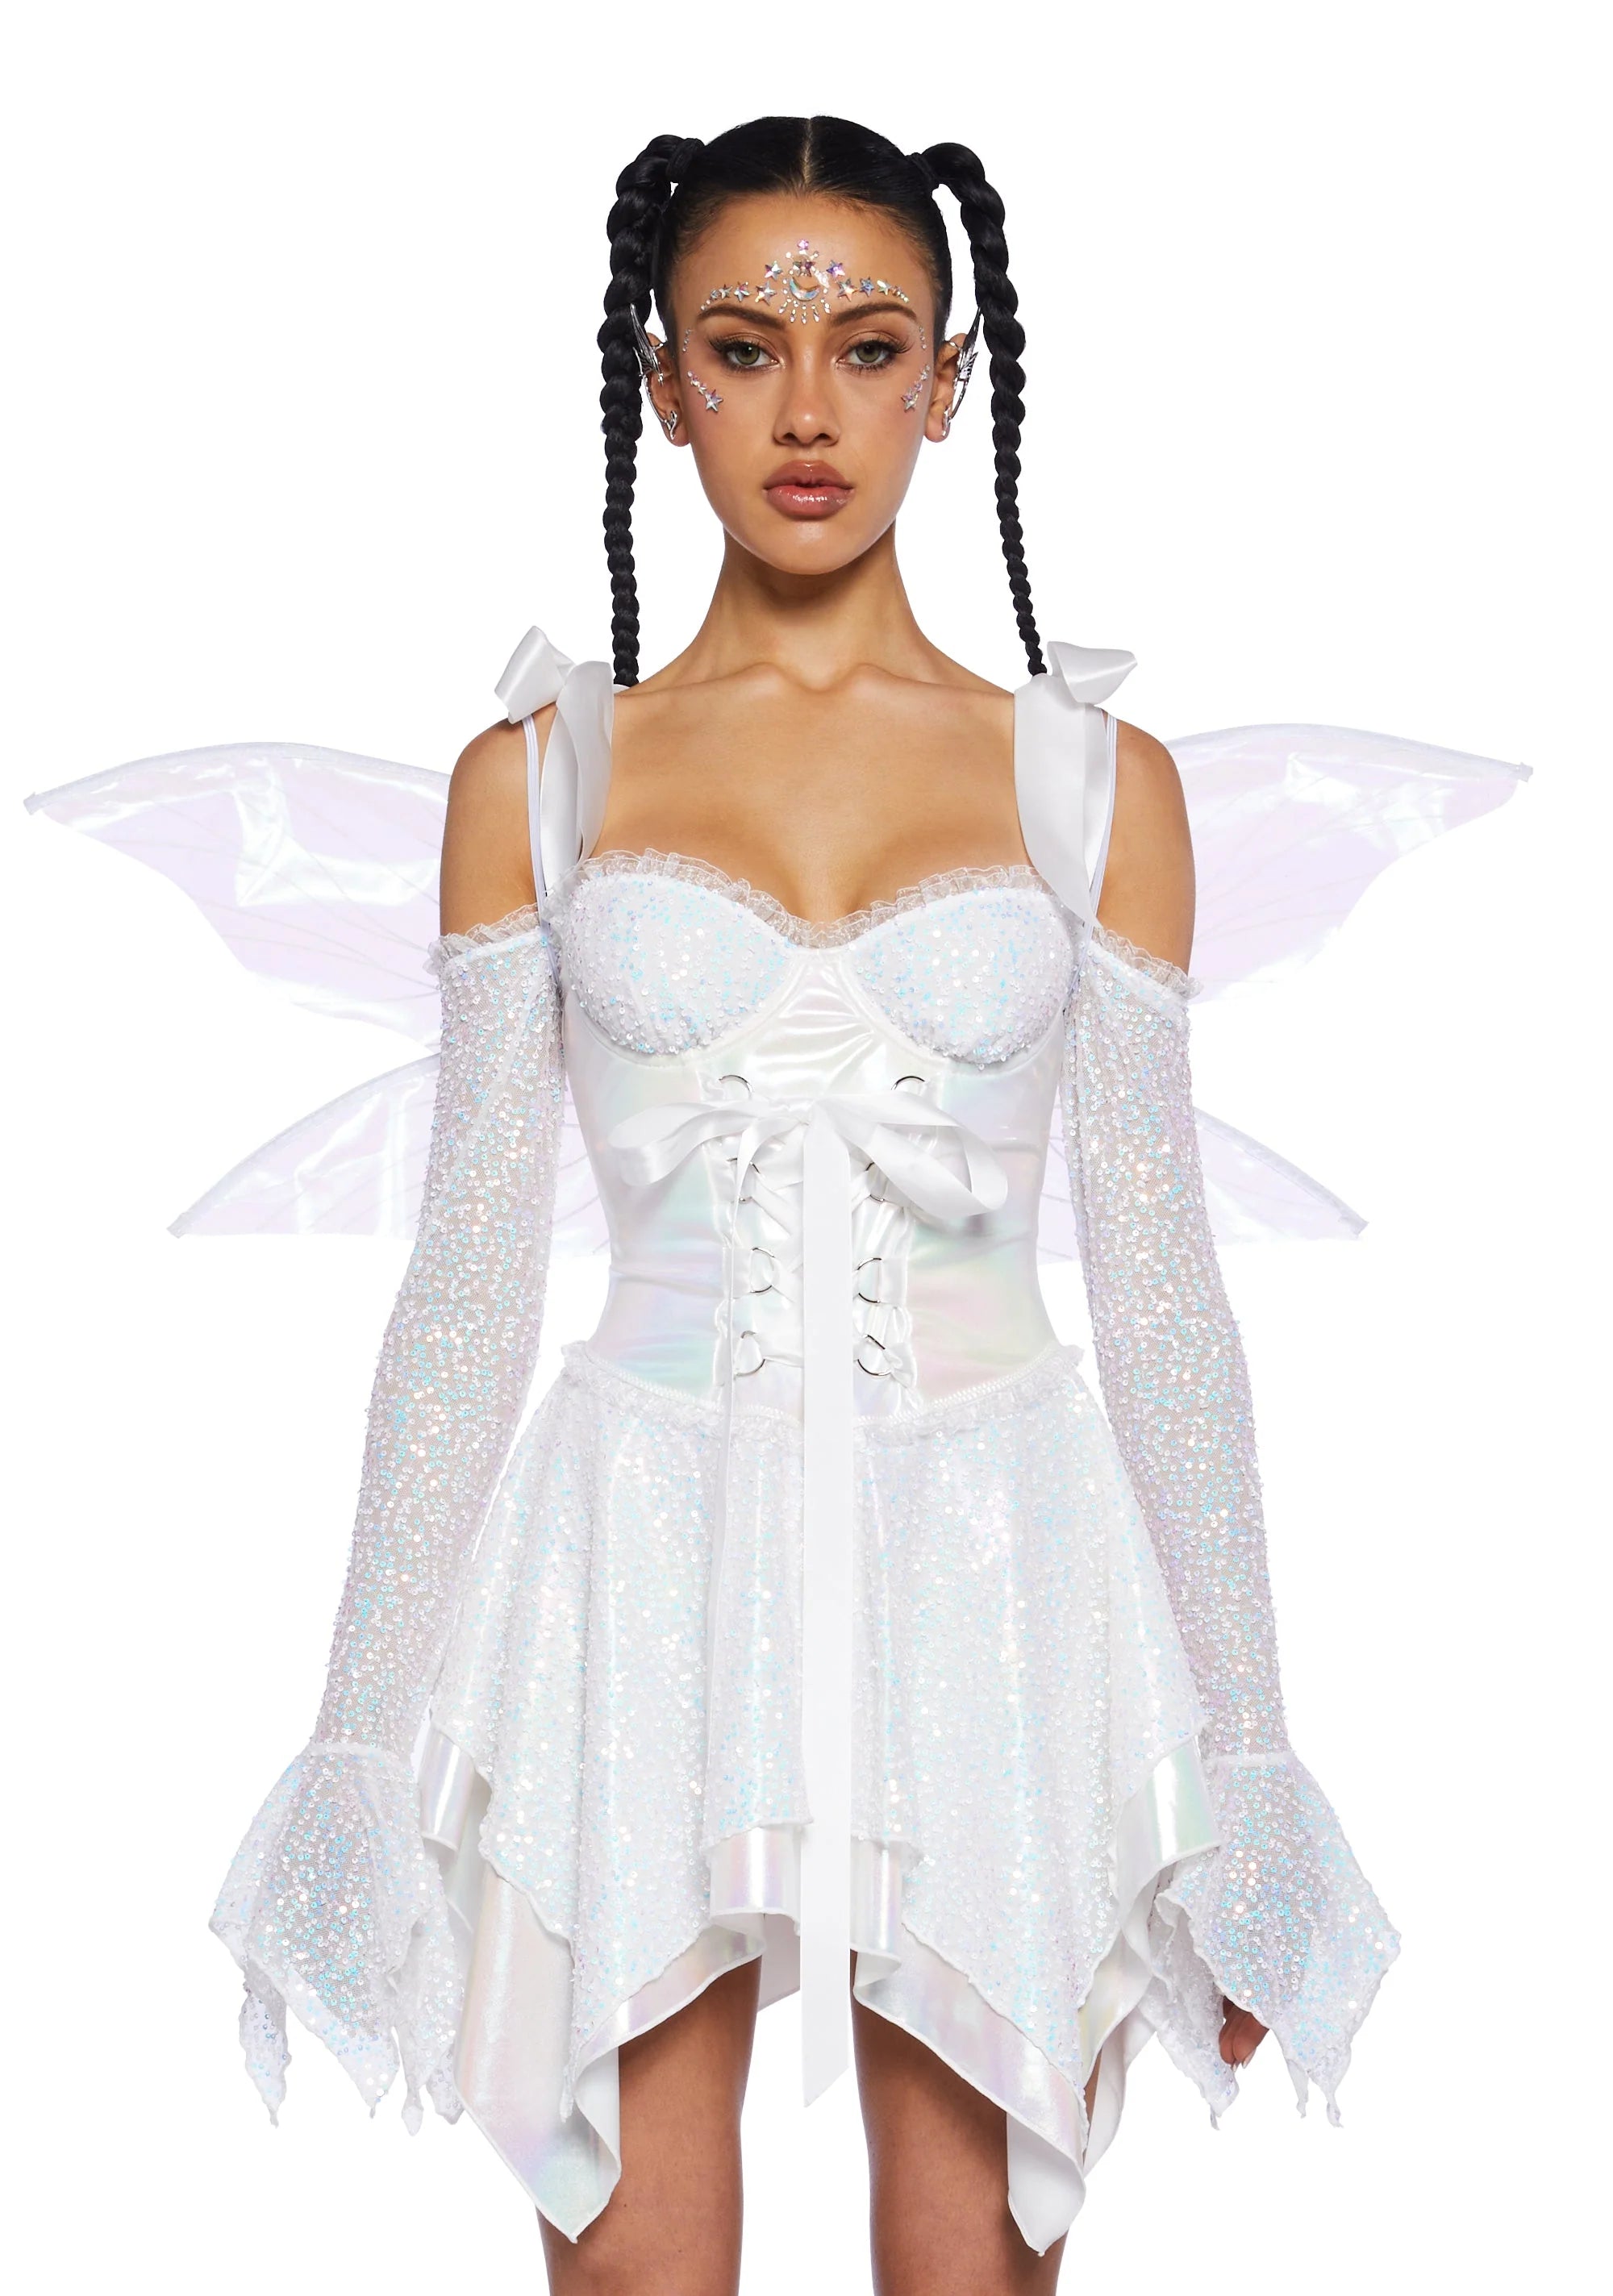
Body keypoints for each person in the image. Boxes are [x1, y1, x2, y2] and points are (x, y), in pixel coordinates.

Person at [40, 110, 1530, 2296]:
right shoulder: (537, 778)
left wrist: (1247, 1754)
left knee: (971, 2268)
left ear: (948, 383)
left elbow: (1162, 1290)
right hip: (637, 1549)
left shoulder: (1094, 784)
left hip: (999, 1553)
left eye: (869, 348)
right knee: (630, 2263)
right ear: (664, 384)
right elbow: (466, 1280)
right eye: (744, 349)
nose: (807, 410)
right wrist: (355, 1738)